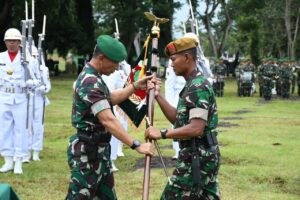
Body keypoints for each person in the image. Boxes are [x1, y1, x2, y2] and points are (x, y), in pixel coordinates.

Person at [66, 35, 154, 199]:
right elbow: (107, 119)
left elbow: (109, 99)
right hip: (87, 154)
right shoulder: (90, 82)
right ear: (101, 58)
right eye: (115, 63)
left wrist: (135, 86)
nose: (117, 68)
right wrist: (136, 145)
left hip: (99, 152)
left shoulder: (95, 77)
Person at [146, 37, 221, 199]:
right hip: (200, 154)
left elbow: (196, 128)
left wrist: (162, 133)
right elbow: (179, 120)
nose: (171, 64)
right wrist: (158, 97)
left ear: (187, 58)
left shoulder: (197, 87)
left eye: (173, 59)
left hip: (198, 157)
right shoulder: (191, 85)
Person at [0, 28, 37, 174]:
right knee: (4, 129)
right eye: (9, 40)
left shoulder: (27, 59)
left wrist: (29, 83)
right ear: (5, 42)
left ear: (19, 42)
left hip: (20, 98)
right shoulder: (0, 57)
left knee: (20, 130)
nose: (11, 43)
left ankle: (18, 162)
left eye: (14, 41)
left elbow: (36, 80)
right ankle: (8, 160)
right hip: (3, 97)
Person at [24, 45, 51, 162]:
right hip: (27, 99)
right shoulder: (24, 68)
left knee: (38, 125)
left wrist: (44, 89)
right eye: (32, 56)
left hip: (39, 99)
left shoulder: (43, 70)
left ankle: (36, 151)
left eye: (36, 55)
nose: (34, 58)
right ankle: (26, 151)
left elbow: (48, 85)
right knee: (27, 126)